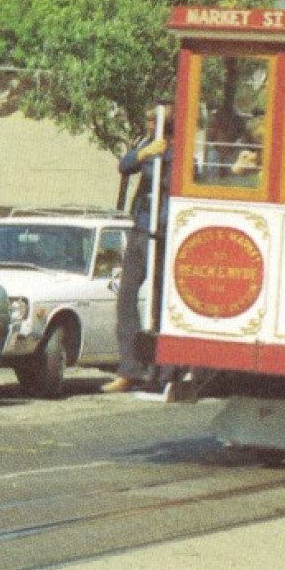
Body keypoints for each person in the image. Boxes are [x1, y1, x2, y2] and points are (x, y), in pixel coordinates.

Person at [106, 103, 173, 394]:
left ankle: (161, 371)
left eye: (153, 119)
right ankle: (129, 369)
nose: (147, 124)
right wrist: (144, 153)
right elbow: (125, 165)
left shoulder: (179, 150)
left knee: (160, 299)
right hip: (140, 227)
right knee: (127, 296)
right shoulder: (148, 144)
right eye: (147, 118)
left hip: (161, 230)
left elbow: (173, 183)